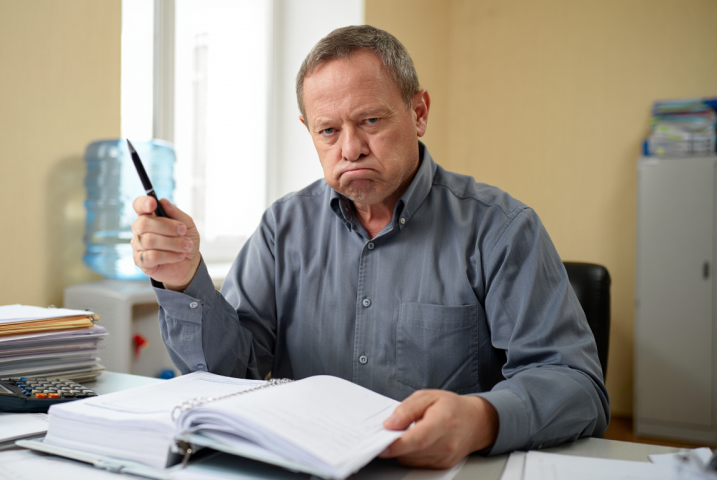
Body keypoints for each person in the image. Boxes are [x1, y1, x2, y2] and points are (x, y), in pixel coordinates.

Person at [130, 25, 609, 468]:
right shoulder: (283, 227)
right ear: (309, 132)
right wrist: (182, 279)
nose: (351, 148)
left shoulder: (501, 230)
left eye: (371, 120)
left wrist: (481, 419)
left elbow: (577, 386)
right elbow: (233, 376)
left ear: (418, 113)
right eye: (328, 130)